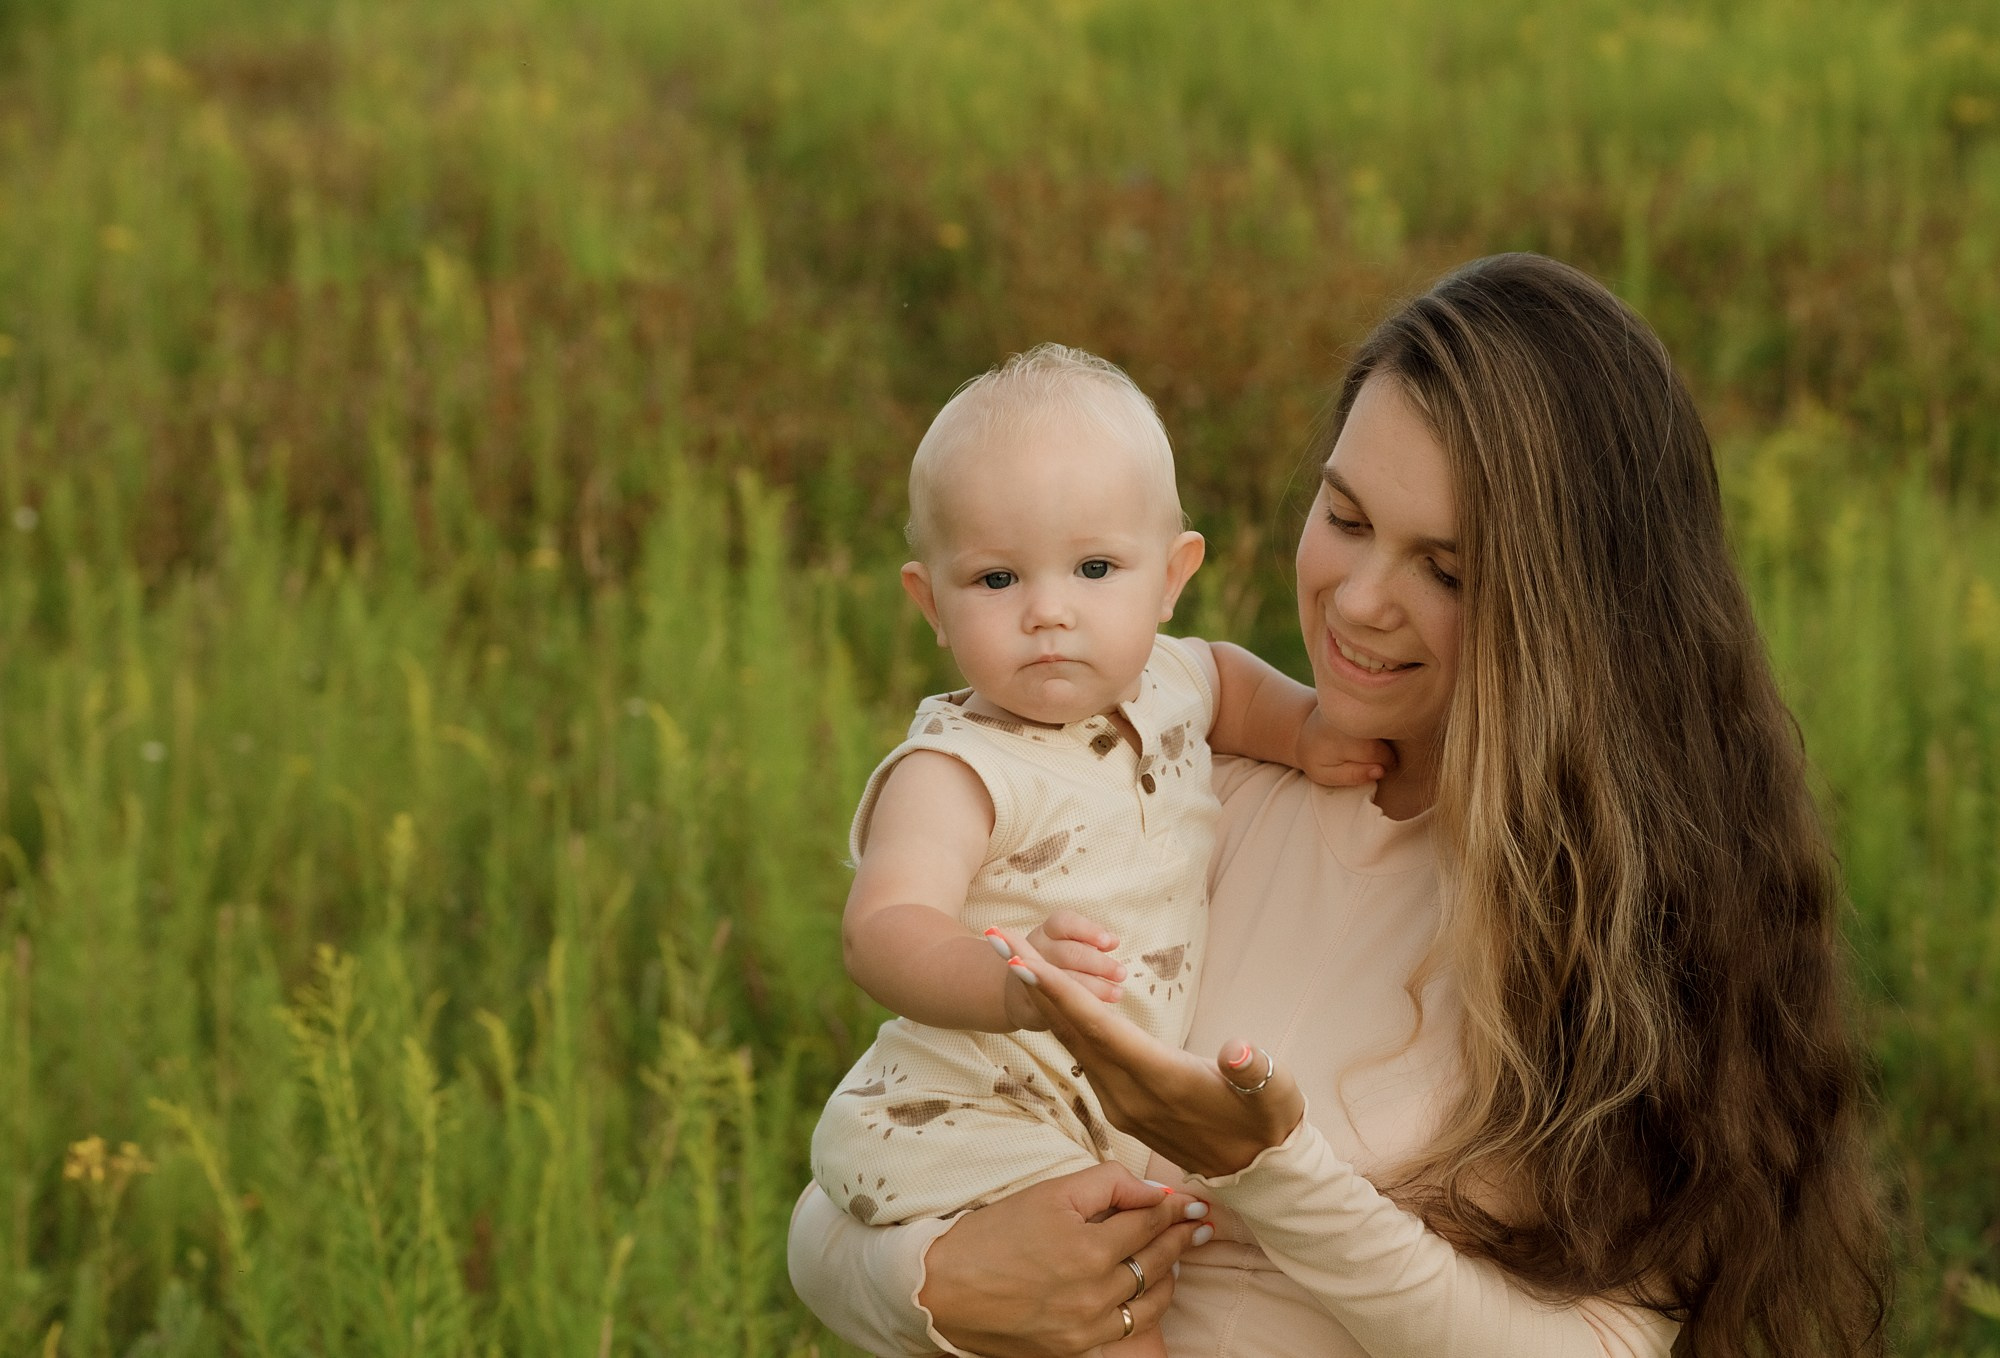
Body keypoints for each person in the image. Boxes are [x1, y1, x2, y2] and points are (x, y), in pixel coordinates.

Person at [790, 255, 1889, 1358]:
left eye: (1445, 571)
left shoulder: (1624, 920)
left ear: (1573, 613)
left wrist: (1267, 1166)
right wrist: (928, 1281)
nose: (1360, 600)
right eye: (1346, 516)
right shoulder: (1179, 783)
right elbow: (851, 1188)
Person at [810, 345, 1390, 1356]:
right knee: (1107, 1299)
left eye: (1092, 567)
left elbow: (1229, 681)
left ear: (1171, 576)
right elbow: (882, 928)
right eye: (995, 576)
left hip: (1087, 1120)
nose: (1047, 610)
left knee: (1122, 1249)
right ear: (928, 603)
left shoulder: (1172, 679)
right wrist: (1013, 984)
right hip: (968, 1110)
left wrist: (1302, 730)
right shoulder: (959, 767)